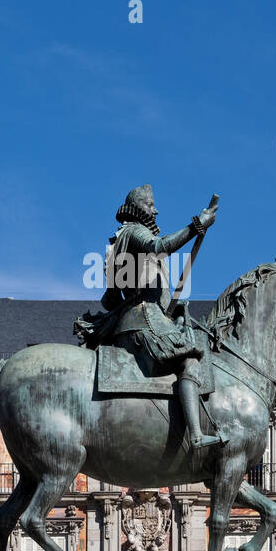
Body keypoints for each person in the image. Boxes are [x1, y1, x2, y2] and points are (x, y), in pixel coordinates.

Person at [76, 184, 222, 451]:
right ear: (137, 208)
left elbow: (110, 298)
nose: (156, 210)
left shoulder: (119, 241)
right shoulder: (134, 232)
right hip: (143, 320)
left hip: (139, 318)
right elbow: (160, 246)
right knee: (190, 359)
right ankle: (197, 435)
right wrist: (197, 225)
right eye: (151, 205)